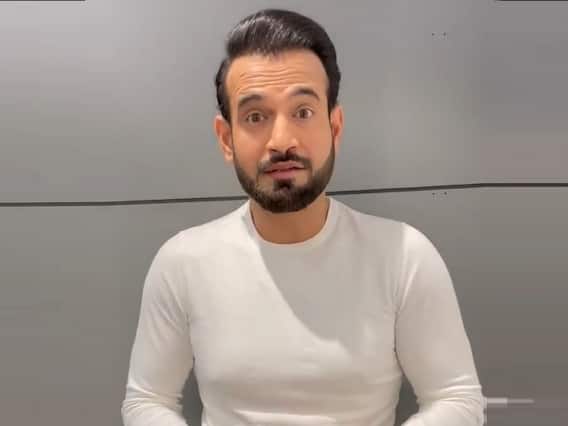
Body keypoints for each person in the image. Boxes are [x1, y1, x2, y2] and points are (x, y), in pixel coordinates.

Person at [121, 8, 484, 426]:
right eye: (255, 117)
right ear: (226, 139)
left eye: (303, 112)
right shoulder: (182, 262)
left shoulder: (404, 255)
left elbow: (457, 398)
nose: (281, 141)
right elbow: (147, 400)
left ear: (335, 127)